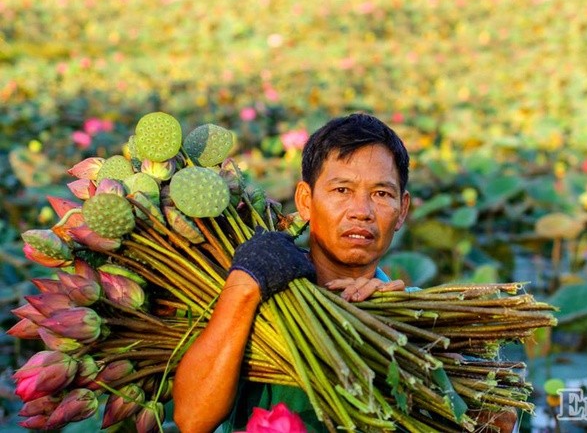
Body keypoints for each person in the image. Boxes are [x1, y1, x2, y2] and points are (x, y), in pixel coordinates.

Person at [172, 113, 516, 432]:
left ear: (402, 211)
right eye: (342, 190)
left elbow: (503, 418)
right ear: (305, 201)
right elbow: (191, 419)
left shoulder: (419, 317)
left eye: (381, 194)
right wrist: (245, 286)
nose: (361, 211)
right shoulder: (252, 302)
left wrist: (401, 333)